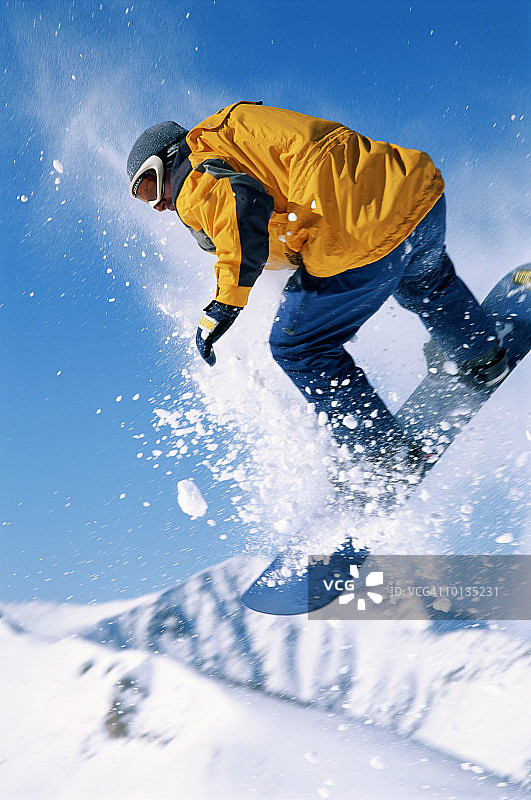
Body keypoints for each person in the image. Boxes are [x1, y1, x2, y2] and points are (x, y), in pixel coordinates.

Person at [127, 101, 508, 484]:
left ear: (169, 156)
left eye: (149, 186)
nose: (157, 204)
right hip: (416, 193)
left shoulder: (195, 167)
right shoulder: (235, 128)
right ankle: (482, 354)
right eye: (144, 199)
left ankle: (383, 456)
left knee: (298, 347)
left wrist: (224, 304)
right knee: (426, 281)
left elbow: (242, 209)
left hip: (356, 238)